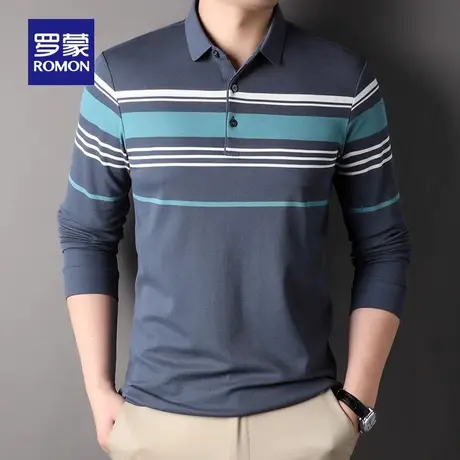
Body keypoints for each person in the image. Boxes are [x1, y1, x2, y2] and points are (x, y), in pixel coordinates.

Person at [56, 0, 411, 458]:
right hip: (156, 424)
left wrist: (357, 403)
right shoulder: (120, 77)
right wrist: (98, 391)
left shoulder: (346, 82)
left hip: (303, 426)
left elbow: (384, 245)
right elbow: (86, 235)